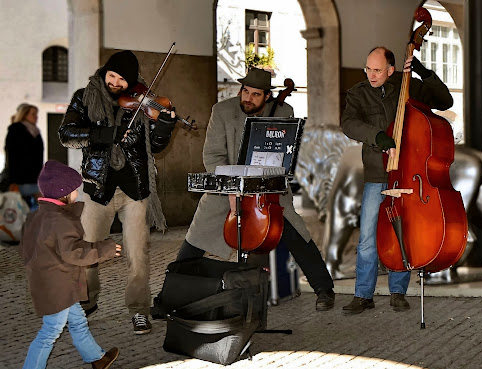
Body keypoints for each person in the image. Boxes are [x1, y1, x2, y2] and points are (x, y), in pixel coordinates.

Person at [175, 68, 335, 311]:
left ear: (268, 96)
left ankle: (324, 289)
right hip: (228, 187)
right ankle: (174, 288)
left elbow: (288, 154)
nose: (247, 98)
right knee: (198, 234)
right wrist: (232, 188)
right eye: (245, 91)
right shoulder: (222, 111)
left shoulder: (284, 112)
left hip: (267, 190)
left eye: (255, 94)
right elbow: (213, 155)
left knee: (295, 232)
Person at [59, 50, 177, 334]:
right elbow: (66, 134)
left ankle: (139, 310)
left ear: (132, 81)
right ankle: (86, 305)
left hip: (134, 188)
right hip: (97, 188)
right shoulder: (84, 96)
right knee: (87, 252)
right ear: (105, 72)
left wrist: (165, 125)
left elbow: (156, 146)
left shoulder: (142, 100)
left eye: (122, 79)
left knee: (138, 254)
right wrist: (101, 135)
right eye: (112, 75)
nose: (115, 83)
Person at [341, 46, 453, 315]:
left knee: (401, 233)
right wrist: (379, 136)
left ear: (391, 70)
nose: (371, 74)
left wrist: (424, 72)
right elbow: (348, 123)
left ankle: (398, 291)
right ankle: (363, 294)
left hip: (408, 174)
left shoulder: (408, 86)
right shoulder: (358, 93)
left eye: (377, 70)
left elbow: (444, 101)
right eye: (368, 68)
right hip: (377, 174)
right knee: (367, 237)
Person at [18, 160, 121, 369]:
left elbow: (26, 249)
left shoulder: (37, 216)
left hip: (50, 282)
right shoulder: (61, 220)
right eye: (75, 189)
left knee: (77, 321)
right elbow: (74, 253)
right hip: (59, 285)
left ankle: (97, 359)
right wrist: (104, 249)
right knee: (51, 330)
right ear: (64, 193)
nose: (78, 192)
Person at [4, 103, 43, 209]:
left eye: (36, 114)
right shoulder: (16, 130)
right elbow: (11, 157)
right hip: (21, 179)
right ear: (24, 115)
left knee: (32, 210)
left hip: (34, 178)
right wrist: (13, 180)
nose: (36, 117)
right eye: (33, 114)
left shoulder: (35, 132)